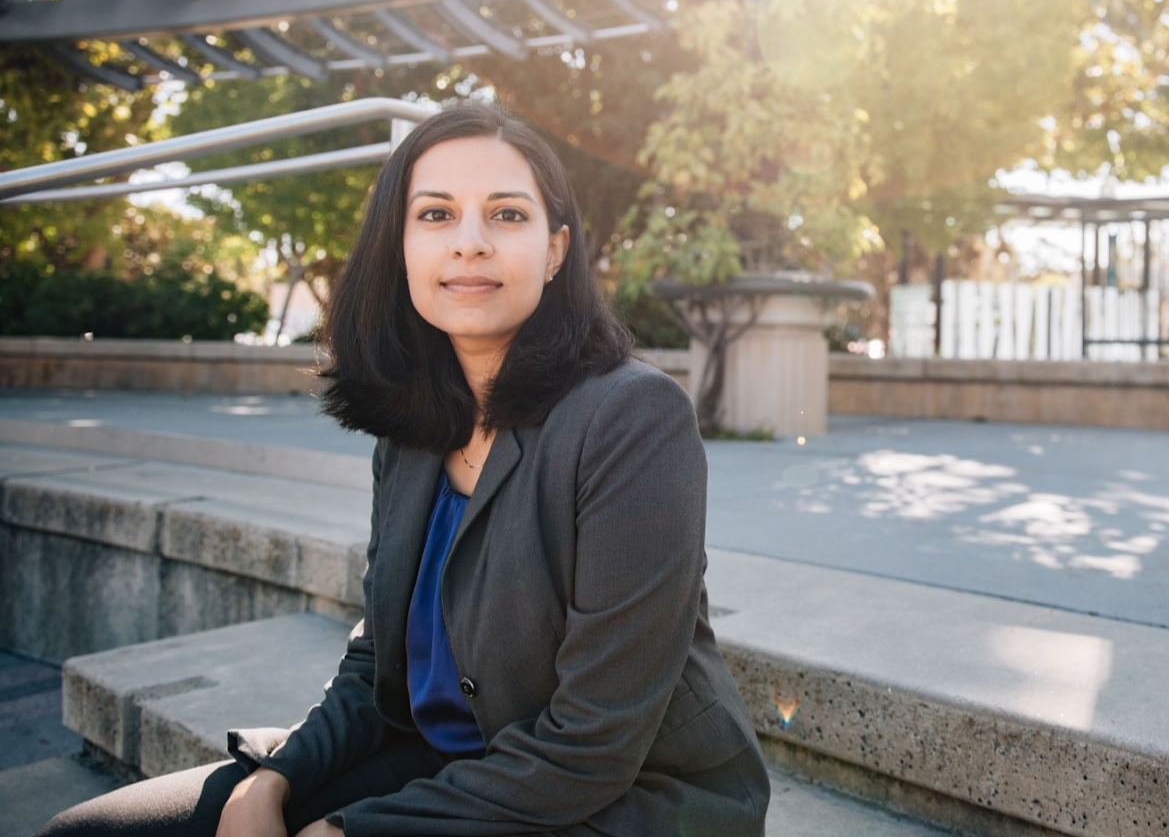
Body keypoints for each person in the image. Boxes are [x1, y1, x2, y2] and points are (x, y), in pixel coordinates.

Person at [38, 102, 769, 837]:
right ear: (400, 246)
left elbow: (594, 741)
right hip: (440, 759)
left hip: (622, 799)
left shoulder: (633, 419)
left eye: (508, 216)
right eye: (437, 215)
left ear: (555, 251)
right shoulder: (414, 425)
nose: (471, 244)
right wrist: (275, 780)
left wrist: (349, 831)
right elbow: (377, 660)